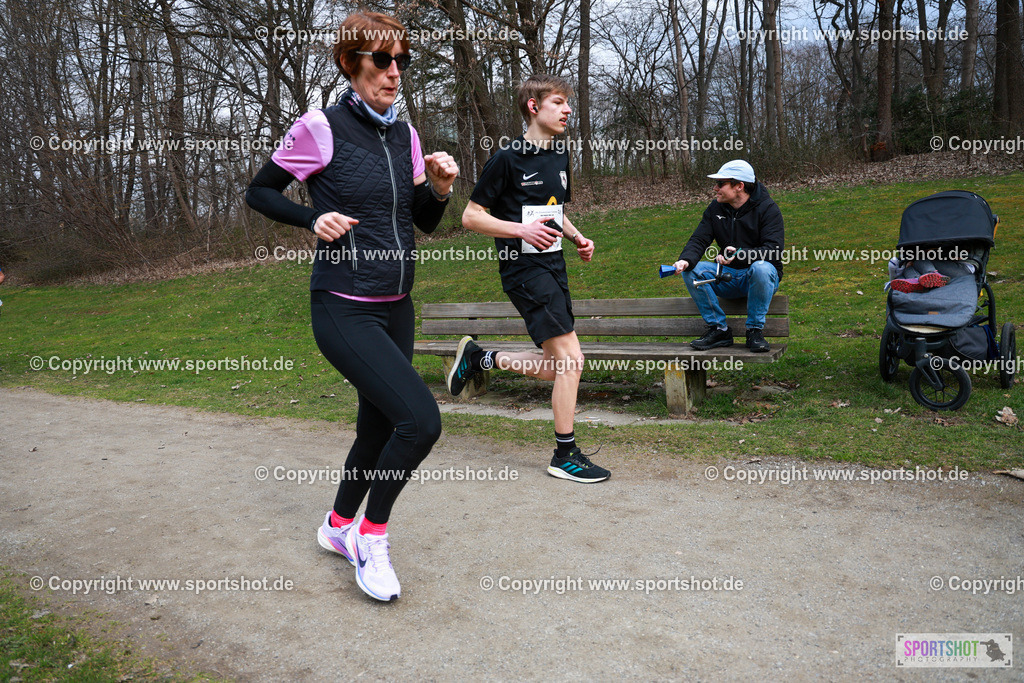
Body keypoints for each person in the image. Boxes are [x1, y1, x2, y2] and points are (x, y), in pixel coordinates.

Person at [245, 11, 458, 602]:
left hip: (397, 305)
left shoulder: (407, 135)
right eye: (381, 61)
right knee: (421, 422)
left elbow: (424, 222)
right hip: (343, 304)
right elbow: (258, 190)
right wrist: (312, 216)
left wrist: (438, 187)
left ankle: (337, 526)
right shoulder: (319, 126)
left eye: (402, 62)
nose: (394, 73)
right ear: (350, 62)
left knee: (380, 425)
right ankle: (372, 535)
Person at [454, 74, 610, 484]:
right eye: (559, 102)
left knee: (556, 367)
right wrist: (520, 231)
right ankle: (565, 454)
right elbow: (470, 217)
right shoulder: (506, 158)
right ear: (533, 107)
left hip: (554, 266)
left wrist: (577, 237)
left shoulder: (559, 154)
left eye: (568, 104)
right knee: (573, 361)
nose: (568, 110)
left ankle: (480, 358)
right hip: (523, 270)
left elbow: (552, 209)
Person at [672, 160, 784, 353]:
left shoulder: (768, 208)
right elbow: (699, 239)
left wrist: (740, 255)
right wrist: (685, 260)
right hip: (728, 277)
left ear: (739, 186)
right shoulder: (715, 209)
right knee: (691, 270)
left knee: (762, 267)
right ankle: (719, 330)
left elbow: (773, 251)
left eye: (720, 183)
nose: (715, 188)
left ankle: (755, 331)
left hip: (758, 278)